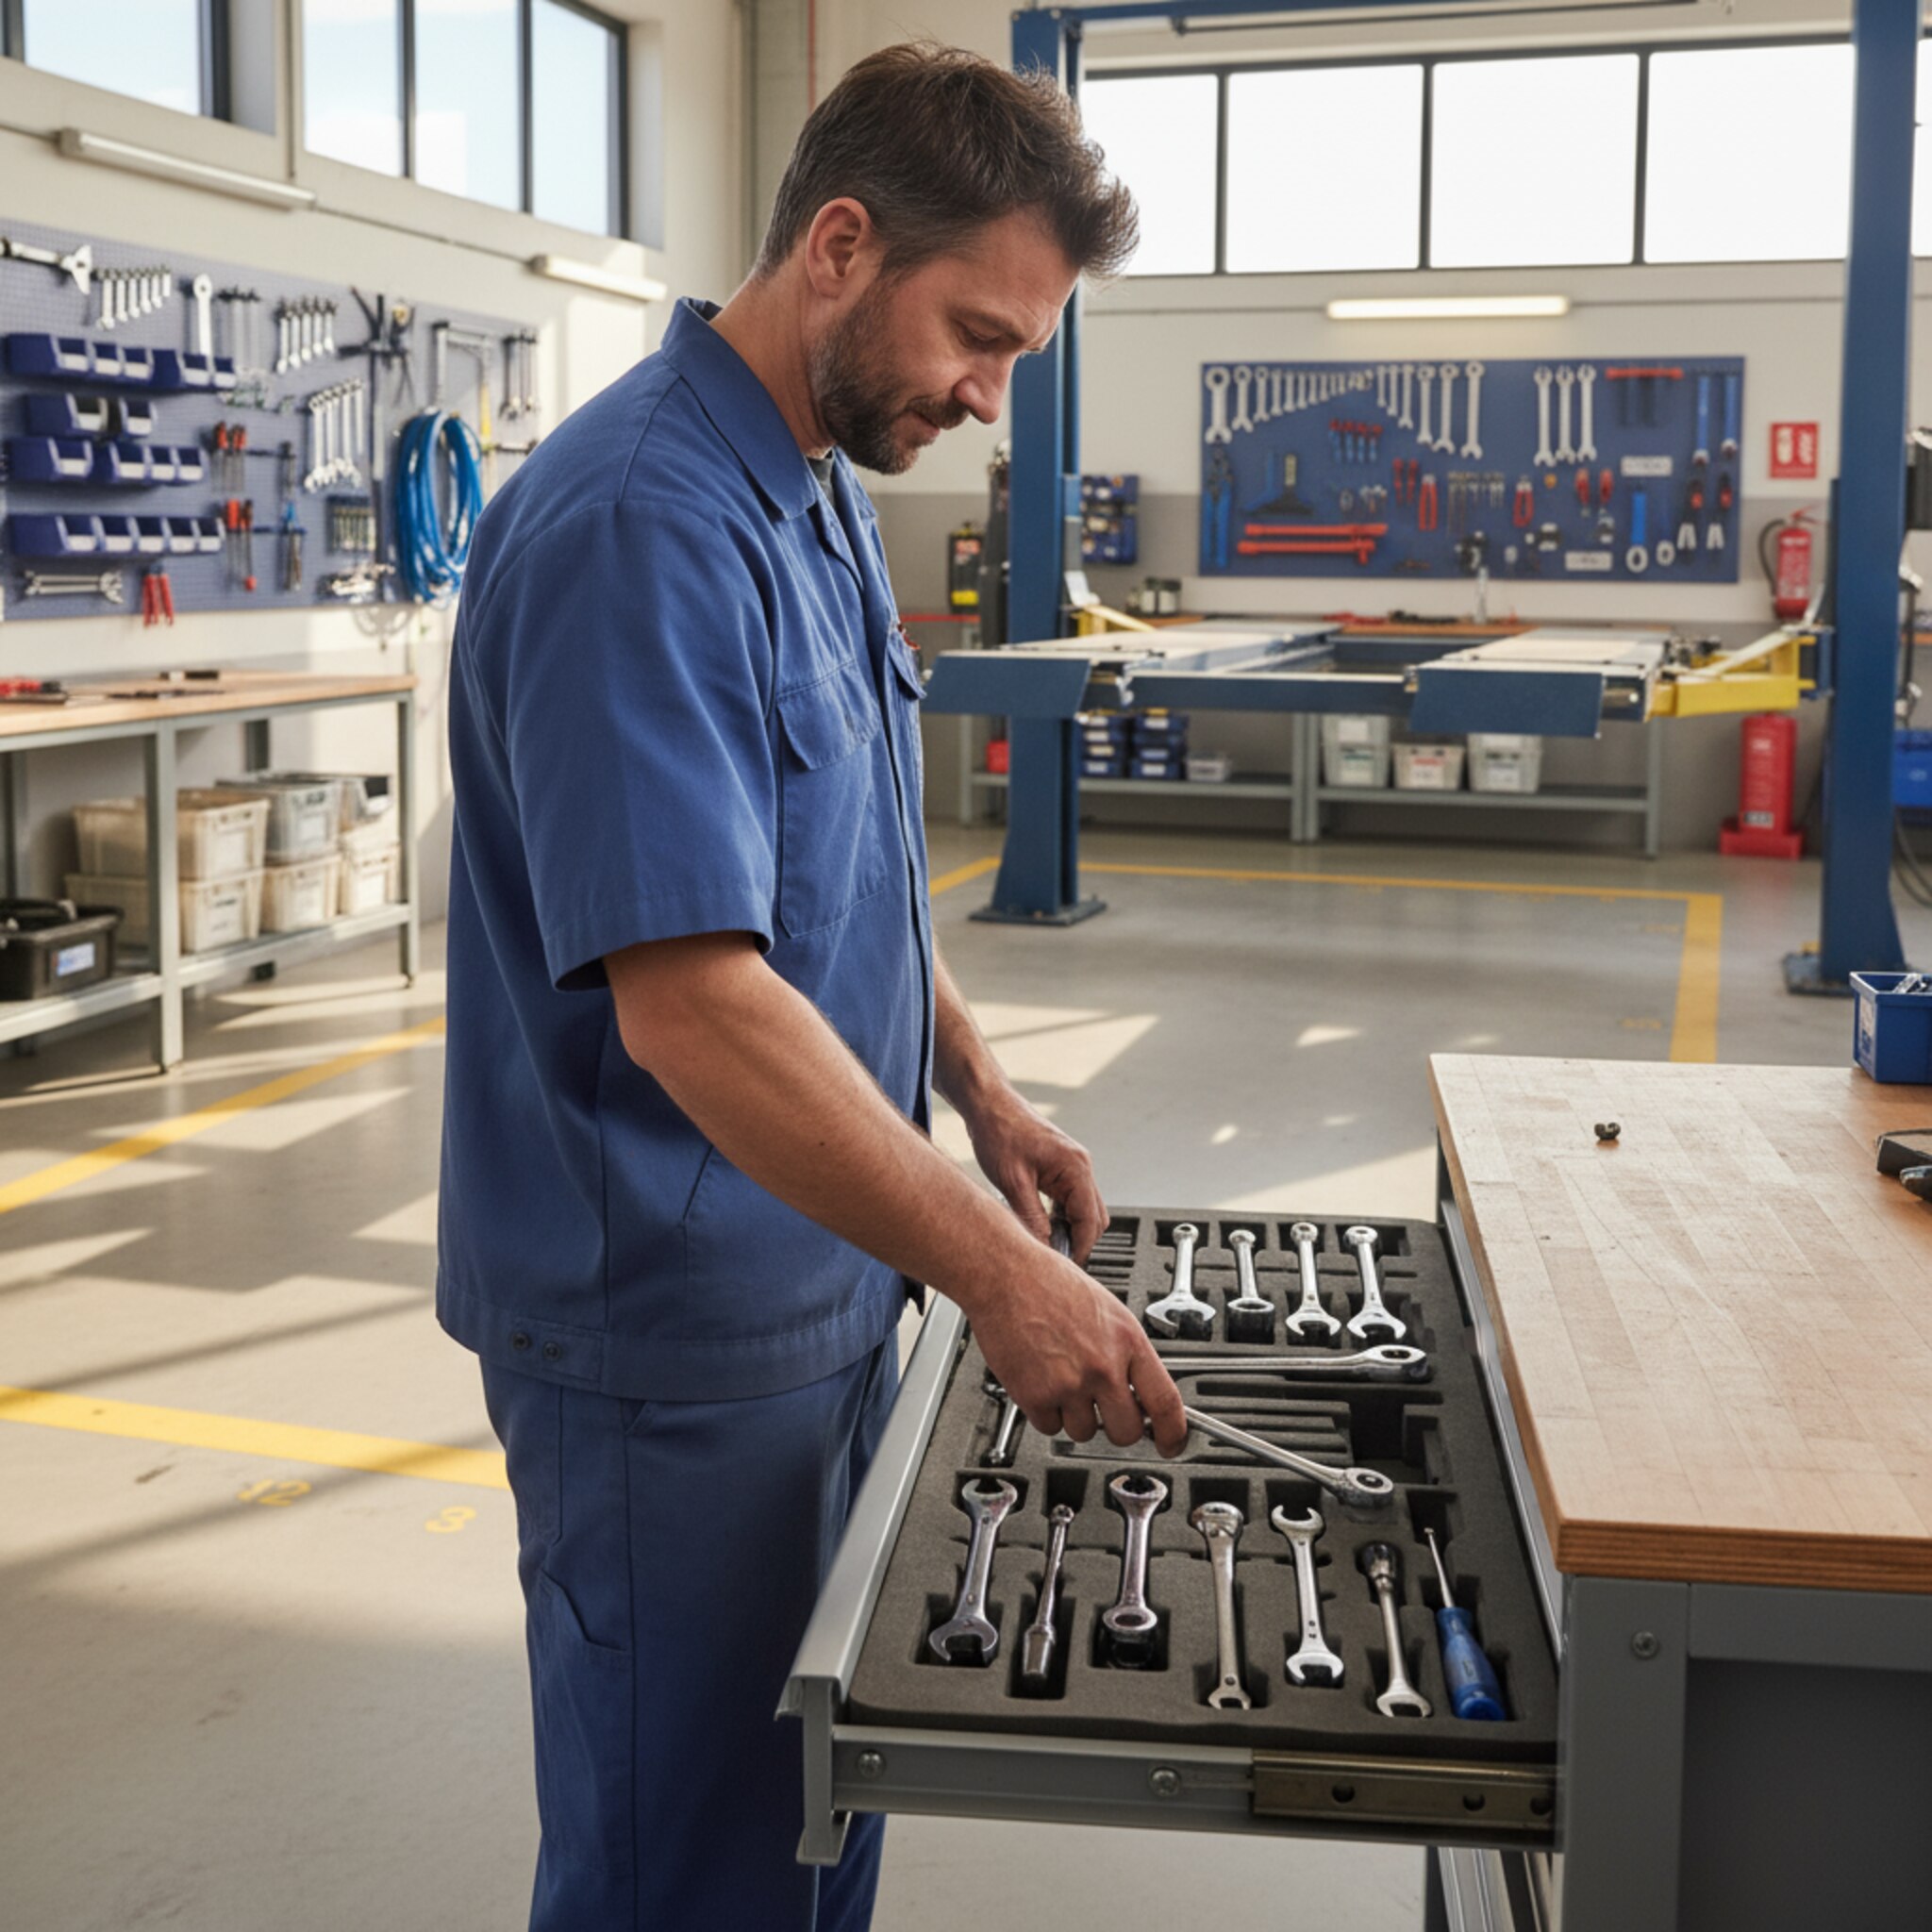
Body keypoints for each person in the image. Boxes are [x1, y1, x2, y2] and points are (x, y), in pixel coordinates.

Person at [437, 40, 1187, 1932]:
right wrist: (995, 1267)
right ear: (839, 244)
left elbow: (829, 873)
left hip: (826, 1279)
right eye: (978, 336)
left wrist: (982, 1097)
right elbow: (694, 999)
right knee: (684, 1870)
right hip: (671, 1347)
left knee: (809, 1817)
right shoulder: (643, 527)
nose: (989, 398)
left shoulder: (813, 483)